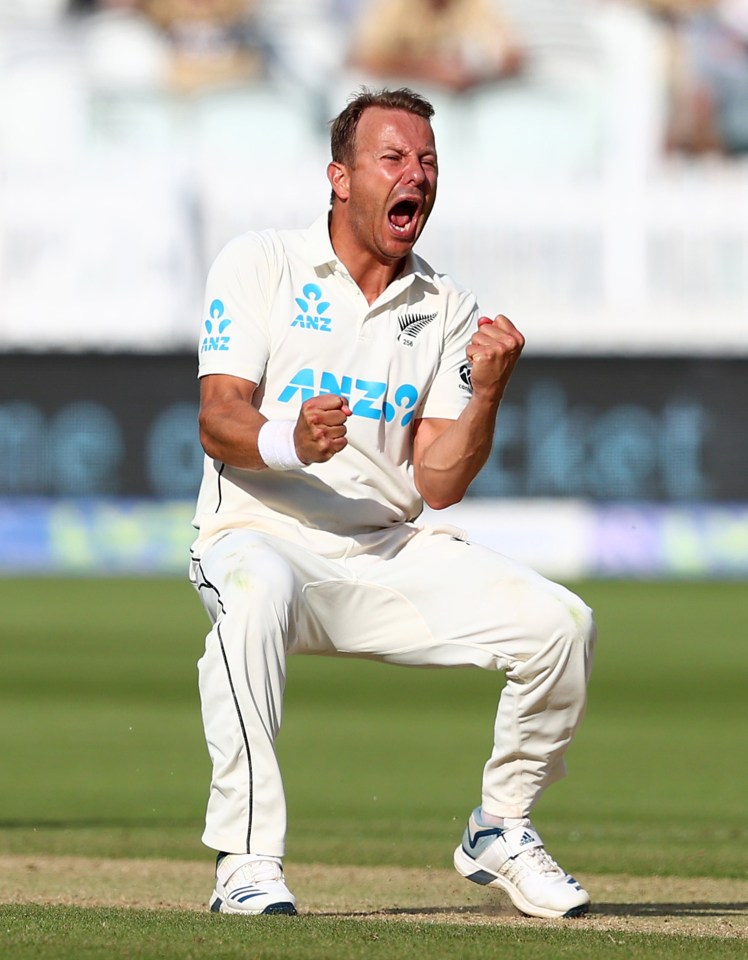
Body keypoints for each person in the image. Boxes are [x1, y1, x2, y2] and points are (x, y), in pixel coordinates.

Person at [189, 86, 596, 920]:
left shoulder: (446, 307)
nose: (417, 174)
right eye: (395, 158)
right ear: (340, 177)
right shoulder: (261, 262)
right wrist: (287, 442)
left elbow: (439, 481)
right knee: (255, 592)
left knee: (562, 626)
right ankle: (247, 861)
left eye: (429, 162)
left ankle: (501, 827)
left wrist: (486, 394)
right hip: (258, 531)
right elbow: (217, 417)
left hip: (382, 552)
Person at [346, 0, 524, 93]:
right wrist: (428, 69)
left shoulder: (474, 5)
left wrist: (481, 69)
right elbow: (363, 58)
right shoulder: (395, 6)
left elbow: (512, 56)